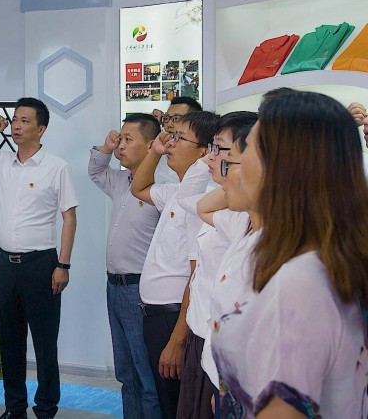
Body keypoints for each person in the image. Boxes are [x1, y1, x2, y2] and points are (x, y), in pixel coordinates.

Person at [212, 90, 368, 418]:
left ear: (282, 168)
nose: (232, 166)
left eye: (248, 148)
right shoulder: (316, 261)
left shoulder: (299, 283)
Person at [0, 97, 78, 419]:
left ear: (41, 129)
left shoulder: (57, 167)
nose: (17, 126)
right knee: (10, 341)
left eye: (25, 121)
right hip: (5, 265)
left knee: (45, 343)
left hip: (42, 265)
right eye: (15, 120)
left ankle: (46, 409)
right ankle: (14, 409)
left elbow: (69, 218)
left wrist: (63, 265)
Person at [131, 111, 218, 419]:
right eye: (171, 136)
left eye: (179, 138)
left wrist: (178, 340)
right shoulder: (176, 191)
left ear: (205, 150)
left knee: (176, 406)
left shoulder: (202, 200)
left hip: (174, 317)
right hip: (157, 313)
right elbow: (139, 188)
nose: (170, 143)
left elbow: (197, 275)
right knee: (165, 399)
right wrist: (154, 151)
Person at [176, 111, 257, 419]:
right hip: (208, 346)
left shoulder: (260, 229)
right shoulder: (238, 216)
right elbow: (200, 204)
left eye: (221, 150)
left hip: (234, 367)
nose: (212, 158)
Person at [88, 113, 162, 419]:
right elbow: (95, 171)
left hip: (140, 291)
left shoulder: (161, 188)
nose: (121, 146)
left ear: (151, 146)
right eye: (120, 138)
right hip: (114, 288)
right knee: (125, 373)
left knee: (147, 377)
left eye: (128, 140)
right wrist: (107, 146)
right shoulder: (121, 181)